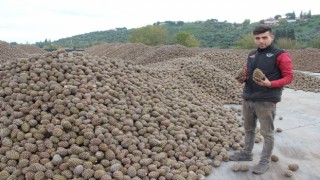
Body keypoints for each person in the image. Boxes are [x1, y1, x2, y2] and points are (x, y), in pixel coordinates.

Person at [230, 25, 294, 174]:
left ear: (272, 37)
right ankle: (246, 153)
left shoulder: (281, 55)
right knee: (249, 129)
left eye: (264, 37)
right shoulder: (252, 54)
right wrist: (242, 78)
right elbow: (248, 71)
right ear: (254, 39)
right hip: (248, 97)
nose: (261, 41)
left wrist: (270, 83)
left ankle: (264, 161)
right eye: (257, 38)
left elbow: (289, 77)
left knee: (267, 133)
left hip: (266, 100)